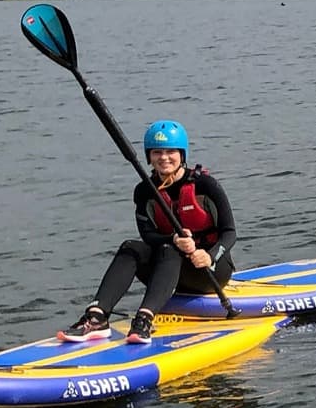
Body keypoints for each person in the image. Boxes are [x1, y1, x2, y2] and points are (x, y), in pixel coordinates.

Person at [58, 120, 238, 345]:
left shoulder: (206, 185)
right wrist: (173, 238)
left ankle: (143, 319)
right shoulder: (144, 191)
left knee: (169, 250)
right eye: (157, 152)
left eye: (170, 151)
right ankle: (97, 317)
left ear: (182, 154)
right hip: (168, 270)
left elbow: (230, 233)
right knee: (132, 247)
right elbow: (148, 236)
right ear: (149, 157)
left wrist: (209, 255)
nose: (164, 158)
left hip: (209, 271)